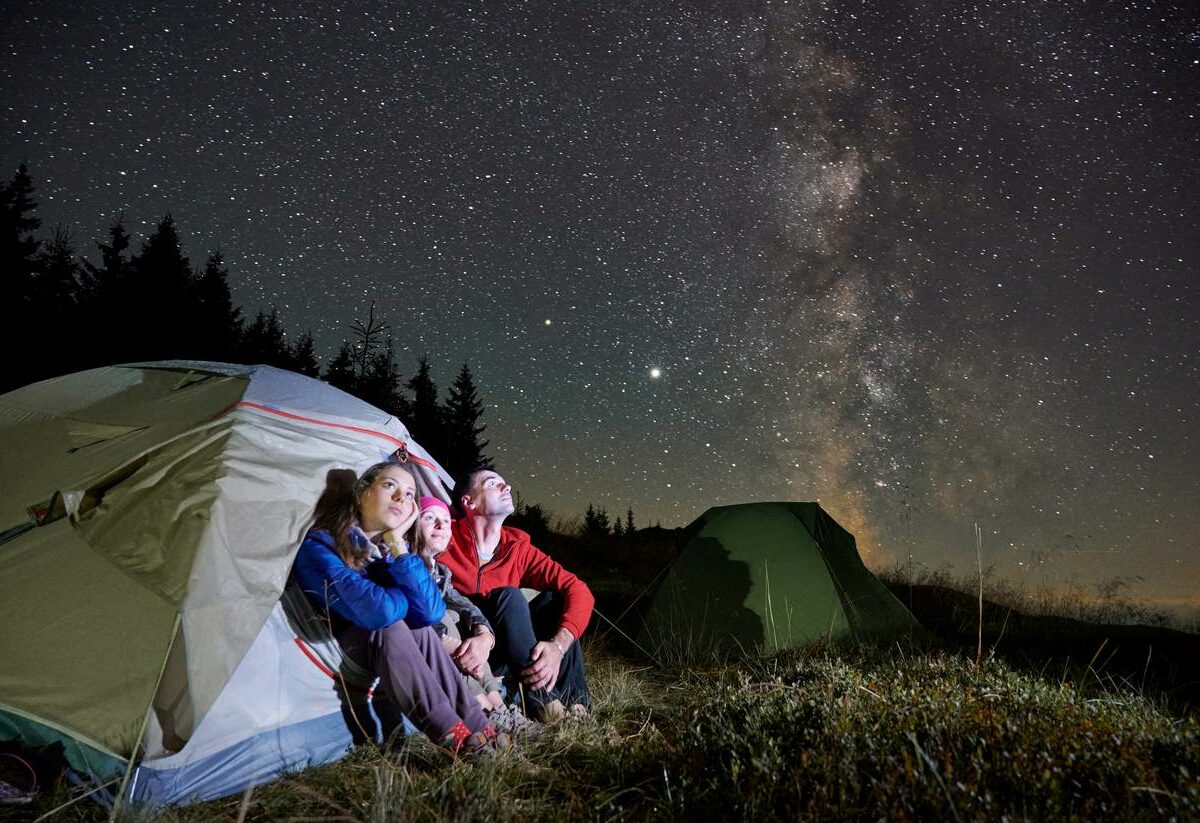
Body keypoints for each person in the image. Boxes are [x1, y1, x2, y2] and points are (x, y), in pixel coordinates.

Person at [291, 459, 505, 756]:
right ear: (362, 492)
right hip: (345, 642)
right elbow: (379, 612)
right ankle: (450, 734)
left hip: (384, 644)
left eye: (408, 494)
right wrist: (404, 594)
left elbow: (430, 613)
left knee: (420, 628)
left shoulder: (389, 554)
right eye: (389, 485)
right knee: (392, 625)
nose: (399, 498)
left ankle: (479, 725)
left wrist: (399, 546)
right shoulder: (321, 545)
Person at [443, 468, 594, 721]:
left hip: (508, 647)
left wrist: (558, 646)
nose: (507, 488)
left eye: (506, 483)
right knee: (509, 596)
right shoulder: (444, 537)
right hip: (472, 646)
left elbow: (579, 589)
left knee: (555, 602)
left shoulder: (517, 548)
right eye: (493, 484)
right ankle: (547, 706)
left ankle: (577, 705)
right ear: (469, 502)